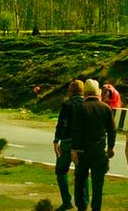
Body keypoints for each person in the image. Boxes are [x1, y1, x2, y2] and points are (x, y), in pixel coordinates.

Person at [71, 79, 116, 211]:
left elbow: (76, 130)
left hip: (82, 152)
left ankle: (81, 206)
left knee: (80, 181)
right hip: (99, 152)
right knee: (98, 183)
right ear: (98, 93)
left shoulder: (80, 107)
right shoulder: (106, 108)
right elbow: (112, 130)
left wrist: (74, 150)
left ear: (85, 93)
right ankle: (96, 208)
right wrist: (110, 147)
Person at [53, 80, 85, 211]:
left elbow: (61, 123)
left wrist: (56, 140)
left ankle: (67, 201)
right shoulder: (86, 104)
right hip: (82, 143)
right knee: (82, 173)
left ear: (70, 91)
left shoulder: (67, 105)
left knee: (61, 171)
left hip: (67, 141)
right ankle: (83, 204)